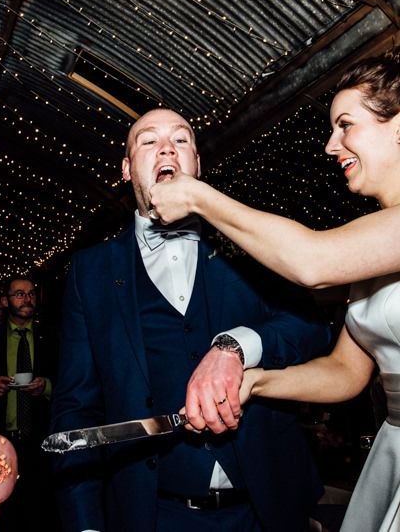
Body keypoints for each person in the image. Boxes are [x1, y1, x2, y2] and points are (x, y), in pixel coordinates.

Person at [149, 55, 400, 531]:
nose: (331, 146)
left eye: (345, 125)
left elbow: (313, 263)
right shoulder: (369, 242)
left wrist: (200, 197)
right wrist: (256, 381)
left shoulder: (354, 247)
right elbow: (345, 373)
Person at [49, 108, 332, 532]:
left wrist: (239, 346)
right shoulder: (89, 271)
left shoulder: (251, 239)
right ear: (127, 170)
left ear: (196, 165)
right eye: (148, 141)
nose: (167, 147)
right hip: (155, 516)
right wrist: (86, 525)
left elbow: (313, 328)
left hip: (267, 510)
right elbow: (76, 408)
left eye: (182, 140)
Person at [0, 276, 57, 531]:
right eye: (19, 294)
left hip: (39, 440)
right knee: (1, 512)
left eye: (31, 293)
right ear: (5, 301)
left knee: (38, 509)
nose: (27, 299)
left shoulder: (51, 336)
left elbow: (69, 379)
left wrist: (46, 386)